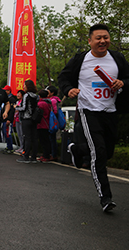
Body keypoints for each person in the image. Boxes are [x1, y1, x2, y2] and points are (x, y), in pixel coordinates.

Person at [58, 23, 129, 212]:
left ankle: (77, 149)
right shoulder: (81, 60)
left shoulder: (117, 59)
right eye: (98, 38)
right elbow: (63, 78)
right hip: (89, 112)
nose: (102, 41)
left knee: (108, 153)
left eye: (105, 37)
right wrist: (68, 89)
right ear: (90, 41)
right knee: (98, 153)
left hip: (111, 112)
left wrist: (123, 82)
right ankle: (105, 198)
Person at [15, 80, 39, 163]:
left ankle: (26, 156)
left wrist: (16, 108)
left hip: (26, 118)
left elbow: (24, 108)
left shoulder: (26, 95)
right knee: (34, 138)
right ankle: (34, 157)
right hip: (34, 119)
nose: (23, 87)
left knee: (27, 137)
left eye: (24, 85)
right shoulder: (36, 96)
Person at [46, 86, 61, 161]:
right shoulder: (50, 100)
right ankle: (51, 153)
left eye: (48, 91)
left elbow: (55, 111)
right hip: (49, 121)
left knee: (52, 139)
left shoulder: (53, 100)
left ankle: (54, 154)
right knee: (50, 138)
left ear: (52, 93)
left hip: (52, 122)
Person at [36, 90, 52, 163]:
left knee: (43, 141)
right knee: (46, 141)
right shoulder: (49, 103)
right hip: (47, 123)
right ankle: (46, 155)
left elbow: (37, 113)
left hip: (41, 124)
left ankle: (46, 156)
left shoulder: (40, 103)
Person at [3, 85, 17, 153]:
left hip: (8, 119)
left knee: (8, 133)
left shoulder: (11, 99)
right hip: (4, 118)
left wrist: (9, 119)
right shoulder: (6, 98)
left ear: (8, 91)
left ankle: (10, 147)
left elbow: (12, 111)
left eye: (6, 90)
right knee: (5, 133)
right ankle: (8, 146)